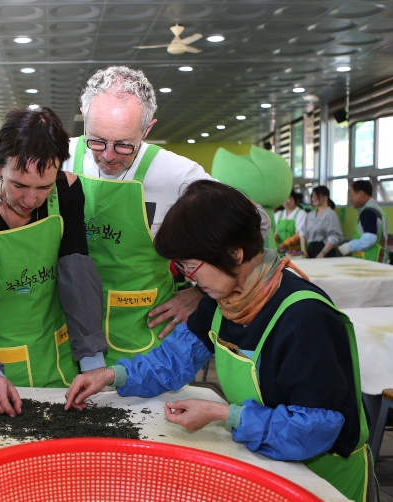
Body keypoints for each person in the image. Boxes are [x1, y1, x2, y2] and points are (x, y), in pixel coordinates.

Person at [64, 180, 375, 502]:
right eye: (181, 267)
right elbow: (173, 360)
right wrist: (111, 375)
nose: (189, 278)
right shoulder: (221, 302)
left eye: (191, 266)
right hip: (268, 465)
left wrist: (223, 414)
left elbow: (316, 428)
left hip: (322, 478)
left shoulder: (302, 318)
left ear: (234, 253)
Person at [62, 65, 270, 360]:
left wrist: (201, 294)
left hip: (141, 334)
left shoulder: (177, 174)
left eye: (124, 145)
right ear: (84, 116)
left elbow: (256, 223)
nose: (107, 156)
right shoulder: (59, 157)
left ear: (147, 129)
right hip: (67, 331)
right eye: (96, 140)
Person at [0, 107, 107, 417]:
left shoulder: (68, 192)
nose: (31, 200)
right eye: (18, 185)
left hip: (60, 364)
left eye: (44, 187)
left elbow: (78, 278)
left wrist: (92, 361)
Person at [339, 180, 389, 263]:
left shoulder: (368, 212)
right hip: (376, 261)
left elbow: (369, 239)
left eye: (351, 195)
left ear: (361, 194)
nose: (350, 199)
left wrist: (349, 246)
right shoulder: (376, 209)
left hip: (371, 262)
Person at [300, 185, 343, 259]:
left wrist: (322, 254)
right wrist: (303, 249)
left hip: (326, 252)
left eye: (316, 196)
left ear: (325, 197)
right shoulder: (310, 215)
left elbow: (334, 236)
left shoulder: (330, 214)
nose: (314, 198)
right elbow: (303, 231)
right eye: (313, 196)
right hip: (311, 250)